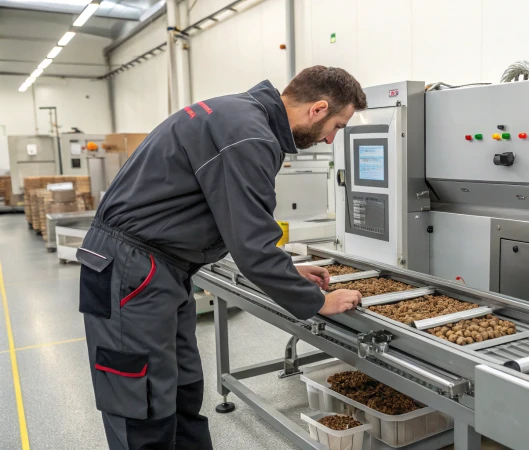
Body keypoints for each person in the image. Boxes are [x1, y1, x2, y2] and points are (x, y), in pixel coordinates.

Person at [77, 66, 366, 449]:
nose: (331, 139)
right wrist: (317, 301)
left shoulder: (239, 116)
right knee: (142, 404)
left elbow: (232, 218)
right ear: (318, 108)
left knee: (180, 389)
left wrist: (288, 269)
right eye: (337, 126)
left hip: (161, 268)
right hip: (133, 272)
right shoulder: (248, 135)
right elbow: (252, 243)